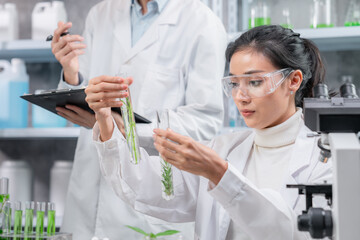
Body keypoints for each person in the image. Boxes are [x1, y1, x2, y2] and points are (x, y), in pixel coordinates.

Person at [88, 25, 333, 240]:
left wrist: (219, 173)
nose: (241, 96)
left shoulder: (326, 156)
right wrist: (106, 118)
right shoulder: (225, 149)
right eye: (234, 83)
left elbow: (291, 231)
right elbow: (148, 189)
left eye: (255, 82)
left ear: (293, 81)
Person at [51, 0, 227, 239]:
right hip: (87, 195)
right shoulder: (101, 13)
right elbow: (86, 101)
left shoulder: (202, 22)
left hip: (149, 202)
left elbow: (204, 120)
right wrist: (72, 74)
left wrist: (125, 128)